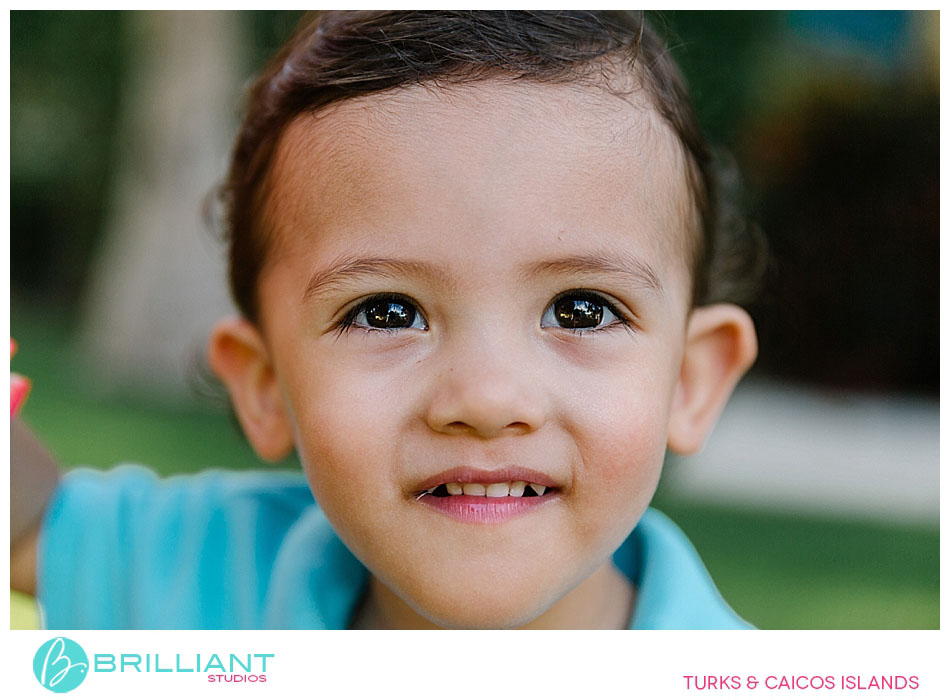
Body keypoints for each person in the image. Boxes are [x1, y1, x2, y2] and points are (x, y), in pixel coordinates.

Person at [11, 10, 762, 629]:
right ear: (266, 385)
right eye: (387, 312)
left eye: (581, 310)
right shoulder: (225, 573)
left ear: (689, 381)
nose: (487, 399)